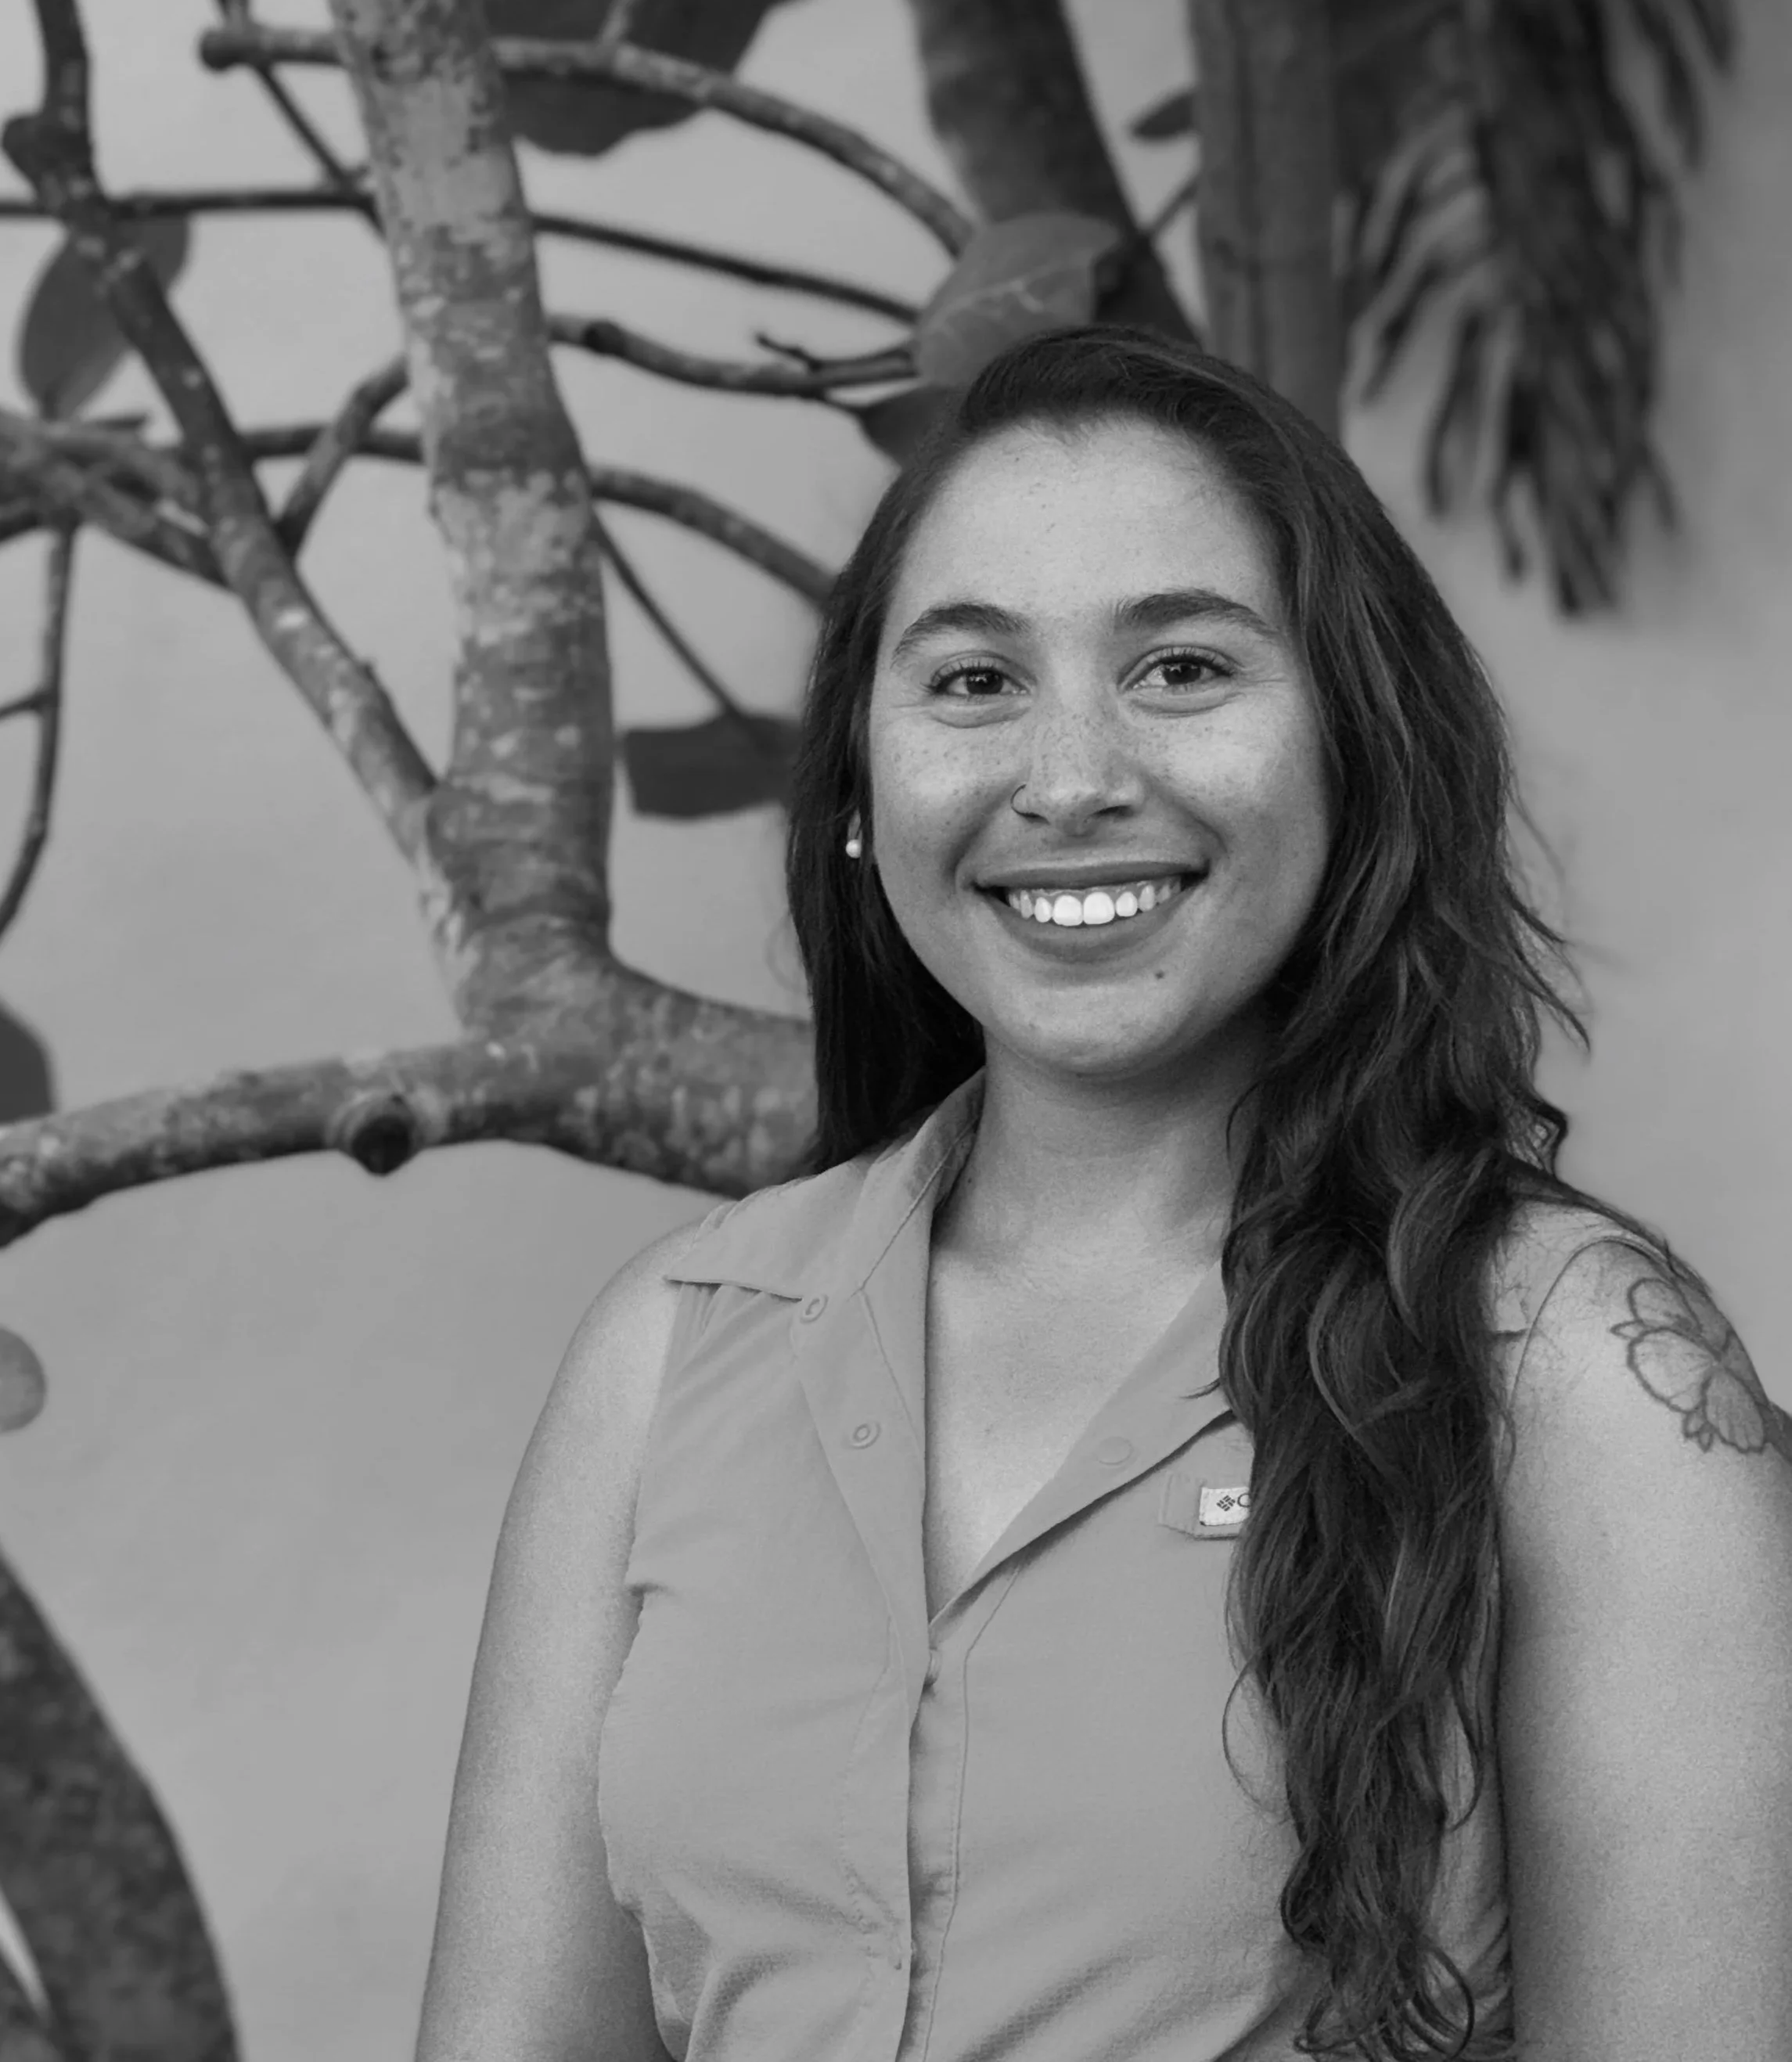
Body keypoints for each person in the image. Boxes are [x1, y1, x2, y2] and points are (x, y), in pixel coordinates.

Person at [413, 325, 1792, 2062]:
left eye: (1181, 667)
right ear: (860, 786)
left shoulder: (1577, 1368)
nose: (1066, 779)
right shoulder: (673, 1346)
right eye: (973, 682)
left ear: (1352, 746)